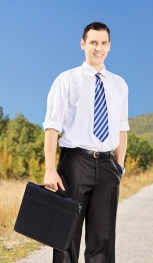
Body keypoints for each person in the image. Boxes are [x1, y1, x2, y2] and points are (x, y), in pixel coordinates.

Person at [43, 21, 129, 263]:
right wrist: (50, 170)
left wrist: (118, 166)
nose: (98, 48)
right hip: (74, 164)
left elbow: (122, 128)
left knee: (103, 240)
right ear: (83, 44)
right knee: (65, 237)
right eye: (93, 42)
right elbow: (52, 127)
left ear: (109, 46)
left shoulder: (119, 85)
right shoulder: (67, 80)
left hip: (107, 166)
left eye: (103, 43)